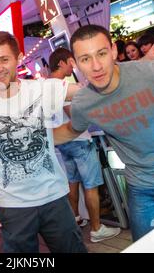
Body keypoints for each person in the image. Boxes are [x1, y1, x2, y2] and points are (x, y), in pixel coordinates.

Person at [54, 24, 154, 241]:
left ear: (113, 51)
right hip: (142, 188)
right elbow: (71, 130)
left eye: (101, 54)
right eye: (85, 59)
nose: (96, 66)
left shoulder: (151, 71)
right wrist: (32, 138)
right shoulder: (83, 102)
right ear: (74, 64)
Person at [0, 31, 86, 253]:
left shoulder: (41, 88)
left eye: (4, 59)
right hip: (12, 207)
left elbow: (85, 92)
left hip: (54, 198)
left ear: (18, 58)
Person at [48, 47, 121, 242]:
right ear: (61, 63)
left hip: (62, 142)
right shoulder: (60, 85)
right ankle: (97, 229)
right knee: (91, 185)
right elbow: (73, 114)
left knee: (73, 182)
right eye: (70, 62)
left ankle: (76, 218)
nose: (72, 66)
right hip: (78, 140)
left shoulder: (46, 86)